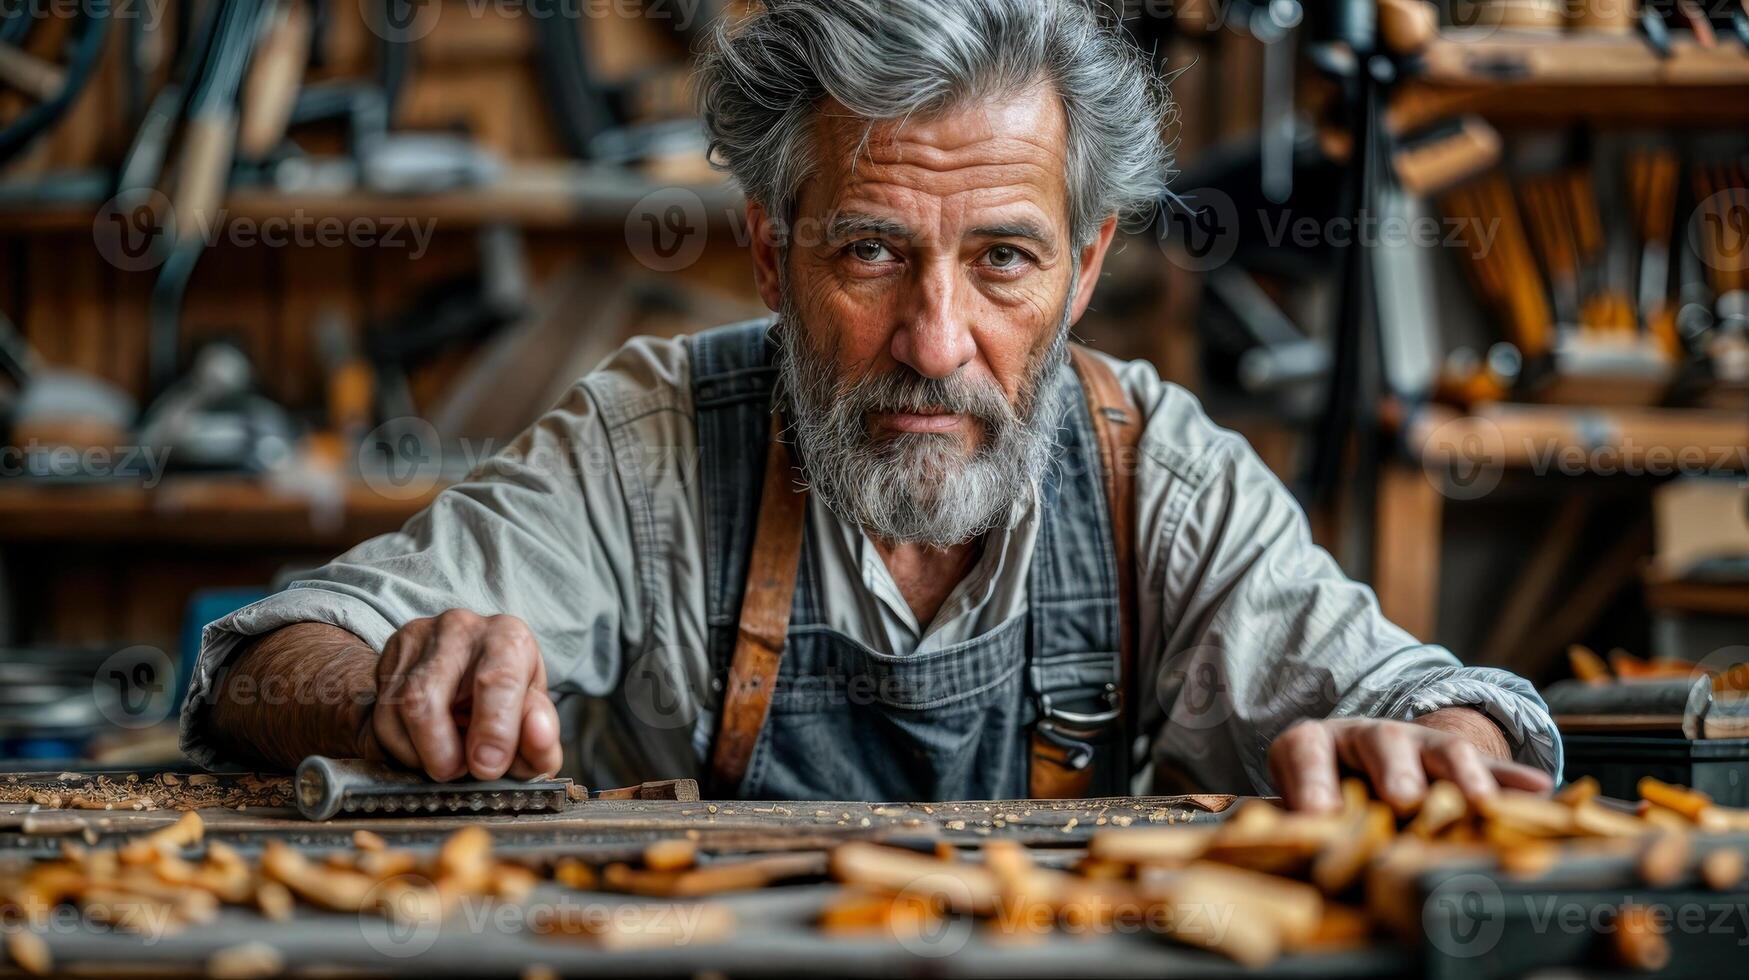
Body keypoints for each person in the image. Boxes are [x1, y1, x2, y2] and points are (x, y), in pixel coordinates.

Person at [181, 0, 1558, 811]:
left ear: (1081, 270)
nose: (934, 339)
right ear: (773, 254)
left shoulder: (1158, 474)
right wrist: (388, 693)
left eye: (1002, 258)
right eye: (869, 250)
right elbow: (261, 662)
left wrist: (1440, 748)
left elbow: (1438, 700)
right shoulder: (648, 444)